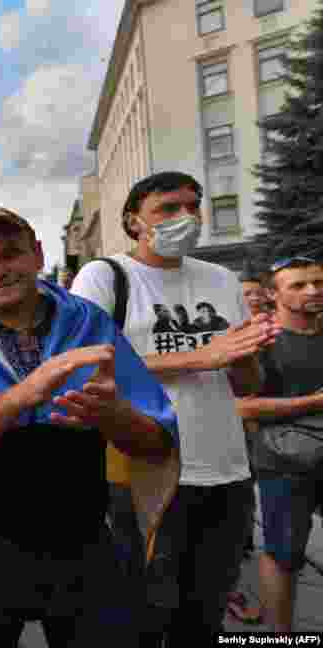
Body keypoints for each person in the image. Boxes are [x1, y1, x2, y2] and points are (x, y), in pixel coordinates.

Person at [0, 205, 178, 647]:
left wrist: (114, 415)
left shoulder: (89, 321)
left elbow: (157, 443)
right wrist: (24, 394)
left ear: (37, 254)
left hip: (84, 546)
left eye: (10, 254)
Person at [70, 171, 280, 643]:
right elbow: (88, 366)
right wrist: (204, 355)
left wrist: (246, 354)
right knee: (142, 616)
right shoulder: (105, 277)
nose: (185, 217)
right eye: (168, 208)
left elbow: (247, 383)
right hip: (145, 475)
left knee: (202, 618)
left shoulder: (222, 279)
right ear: (133, 220)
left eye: (193, 205)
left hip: (226, 473)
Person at [237, 256, 323, 632]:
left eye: (318, 282)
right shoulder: (260, 341)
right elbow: (241, 407)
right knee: (283, 555)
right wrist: (312, 403)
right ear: (273, 294)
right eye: (299, 285)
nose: (313, 291)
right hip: (286, 464)